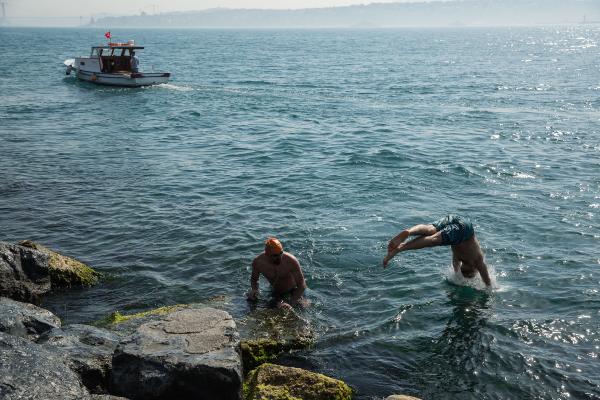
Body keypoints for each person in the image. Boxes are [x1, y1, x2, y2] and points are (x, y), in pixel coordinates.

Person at [383, 215, 492, 287]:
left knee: (430, 229)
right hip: (463, 232)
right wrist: (490, 289)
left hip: (459, 220)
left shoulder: (458, 258)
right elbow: (488, 283)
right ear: (474, 269)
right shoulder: (477, 262)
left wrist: (458, 275)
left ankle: (409, 231)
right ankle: (401, 248)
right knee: (433, 240)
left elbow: (456, 267)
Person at [247, 237, 307, 309]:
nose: (280, 257)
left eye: (281, 253)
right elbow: (254, 279)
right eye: (275, 255)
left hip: (294, 290)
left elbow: (302, 285)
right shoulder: (258, 262)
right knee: (252, 302)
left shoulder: (291, 261)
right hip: (276, 291)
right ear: (267, 254)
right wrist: (255, 290)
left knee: (304, 307)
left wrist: (291, 303)